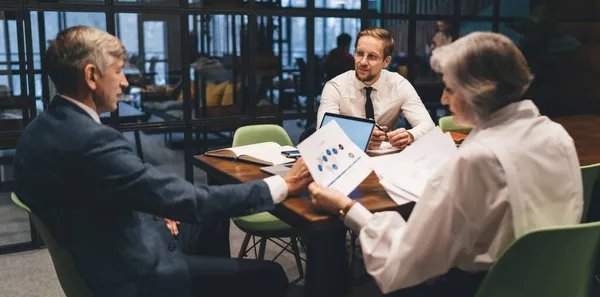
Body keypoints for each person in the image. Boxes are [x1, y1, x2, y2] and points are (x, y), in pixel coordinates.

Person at [13, 26, 312, 297]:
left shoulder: (38, 129)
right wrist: (283, 184)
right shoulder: (92, 140)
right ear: (91, 76)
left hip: (103, 245)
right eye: (118, 71)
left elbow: (97, 190)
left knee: (213, 220)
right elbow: (192, 201)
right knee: (270, 275)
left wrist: (158, 205)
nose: (124, 81)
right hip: (133, 273)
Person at [308, 32, 583, 296]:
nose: (443, 99)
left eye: (450, 89)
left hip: (485, 287)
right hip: (551, 282)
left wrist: (347, 207)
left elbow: (401, 262)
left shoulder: (476, 159)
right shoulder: (557, 136)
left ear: (478, 91)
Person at [317, 27, 434, 151]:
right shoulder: (336, 86)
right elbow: (323, 131)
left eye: (372, 56)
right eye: (359, 53)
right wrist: (360, 137)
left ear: (386, 62)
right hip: (345, 155)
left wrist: (410, 135)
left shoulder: (398, 84)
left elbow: (428, 125)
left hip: (385, 156)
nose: (363, 62)